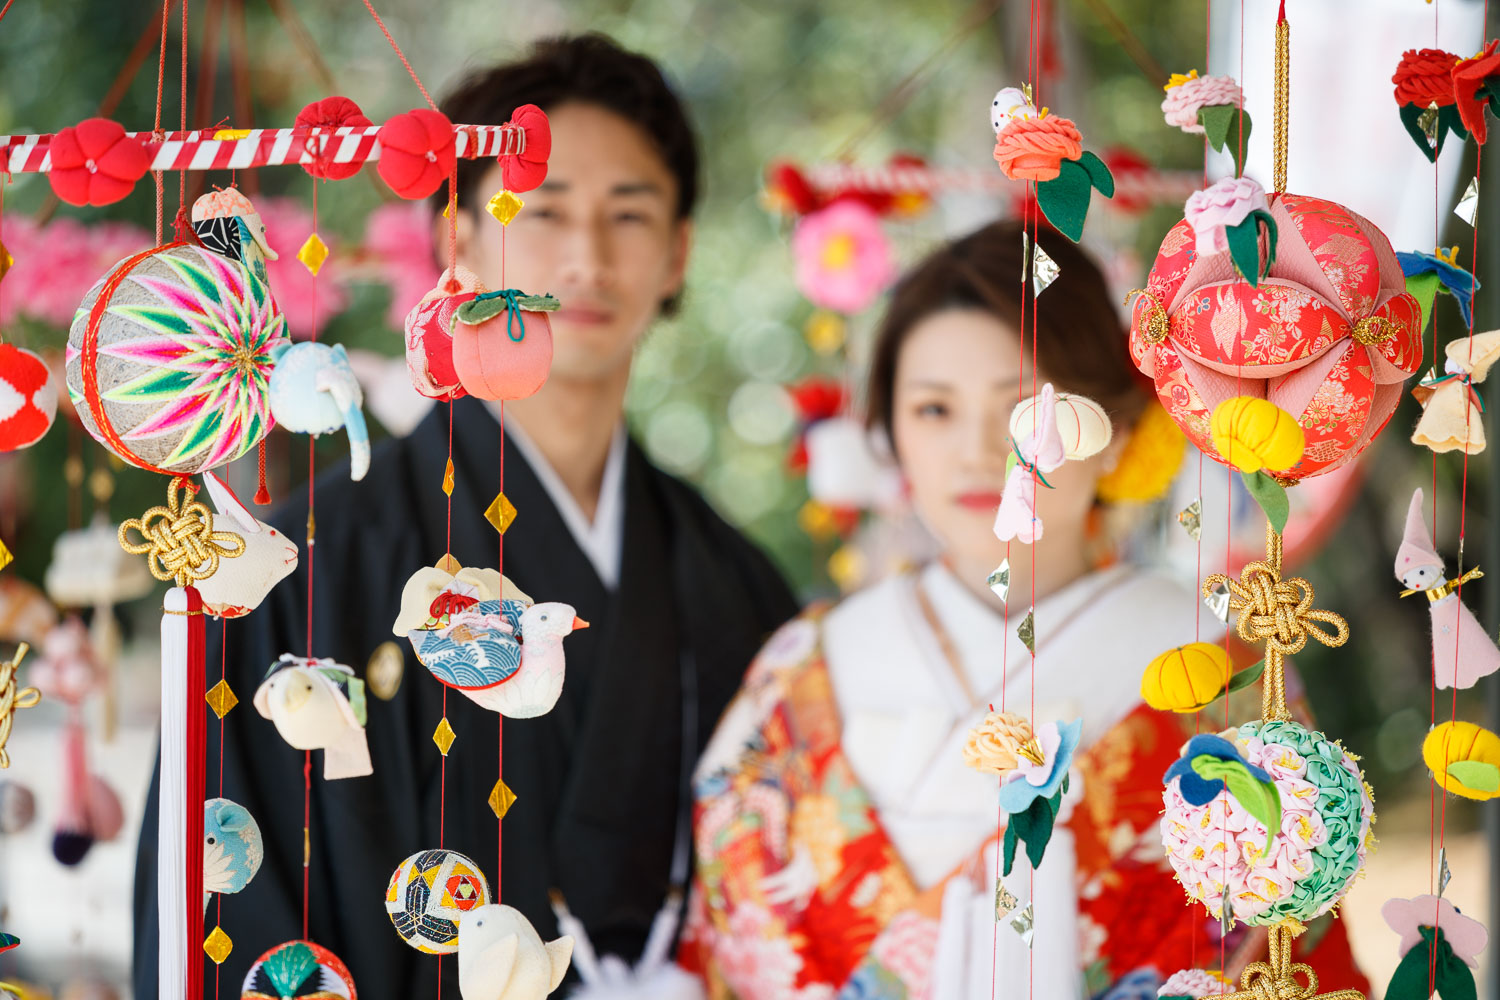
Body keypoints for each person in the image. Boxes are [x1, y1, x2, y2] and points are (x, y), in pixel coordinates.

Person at [132, 34, 797, 998]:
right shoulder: (304, 571)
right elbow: (233, 911)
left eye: (631, 213)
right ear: (458, 239)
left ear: (679, 252)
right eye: (545, 209)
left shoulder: (730, 577)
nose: (587, 256)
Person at [679, 220, 1369, 998]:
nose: (978, 449)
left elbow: (1291, 936)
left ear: (1118, 426)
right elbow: (732, 928)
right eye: (933, 410)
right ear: (890, 435)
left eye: (1022, 408)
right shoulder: (803, 666)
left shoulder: (1219, 664)